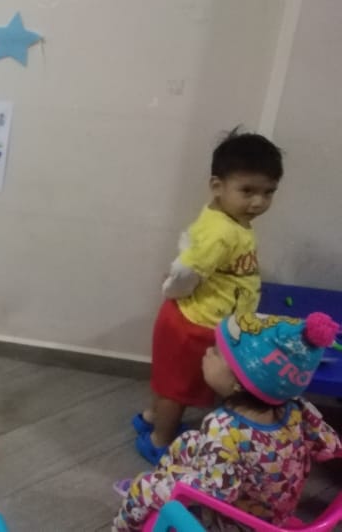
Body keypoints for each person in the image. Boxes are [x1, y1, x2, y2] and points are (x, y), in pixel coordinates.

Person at [114, 311, 342, 531]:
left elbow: (213, 493)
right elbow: (331, 444)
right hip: (273, 515)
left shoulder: (222, 429)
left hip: (234, 524)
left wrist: (162, 489)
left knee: (143, 486)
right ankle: (163, 483)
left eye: (216, 351)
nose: (207, 352)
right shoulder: (296, 410)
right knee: (189, 440)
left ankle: (125, 526)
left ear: (239, 382)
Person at [135, 130, 283, 464]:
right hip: (194, 323)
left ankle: (149, 418)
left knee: (172, 380)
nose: (258, 202)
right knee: (177, 389)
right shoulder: (221, 231)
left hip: (201, 318)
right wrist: (171, 288)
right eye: (247, 191)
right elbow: (187, 272)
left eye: (268, 192)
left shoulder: (230, 219)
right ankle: (159, 441)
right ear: (217, 186)